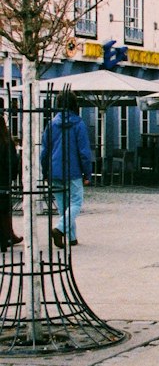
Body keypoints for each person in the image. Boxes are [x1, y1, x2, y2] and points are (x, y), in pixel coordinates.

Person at [40, 90, 92, 250]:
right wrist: (87, 173)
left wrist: (45, 171)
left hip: (54, 169)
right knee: (76, 201)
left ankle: (72, 237)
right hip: (73, 170)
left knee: (63, 205)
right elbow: (84, 152)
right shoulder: (79, 124)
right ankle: (60, 229)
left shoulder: (51, 124)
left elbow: (44, 150)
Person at [0, 106, 22, 251]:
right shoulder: (7, 141)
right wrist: (13, 176)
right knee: (4, 210)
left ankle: (7, 236)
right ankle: (6, 236)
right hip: (3, 179)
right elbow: (13, 161)